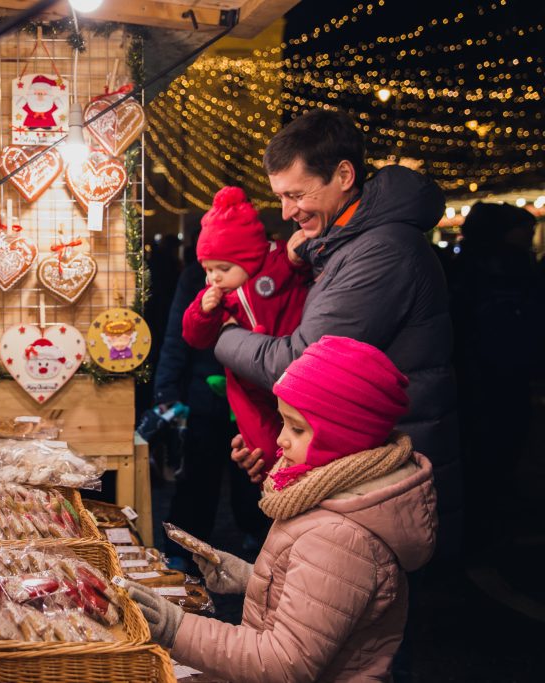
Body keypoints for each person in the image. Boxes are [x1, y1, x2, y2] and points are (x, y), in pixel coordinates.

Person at [213, 109, 460, 559]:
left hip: (390, 471)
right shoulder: (345, 244)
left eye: (296, 194)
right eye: (281, 197)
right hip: (362, 461)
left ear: (344, 175)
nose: (287, 212)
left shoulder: (382, 251)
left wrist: (223, 335)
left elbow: (301, 363)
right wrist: (279, 436)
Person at [129, 336, 438, 681]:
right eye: (283, 422)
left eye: (297, 428)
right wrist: (252, 578)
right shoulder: (333, 499)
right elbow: (322, 600)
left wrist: (175, 628)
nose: (280, 440)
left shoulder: (341, 537)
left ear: (342, 438)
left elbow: (283, 664)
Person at [153, 226, 268, 563]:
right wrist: (167, 392)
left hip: (255, 395)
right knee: (196, 479)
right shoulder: (195, 277)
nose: (215, 274)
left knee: (254, 475)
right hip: (204, 394)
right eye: (210, 266)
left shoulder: (263, 276)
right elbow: (177, 335)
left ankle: (259, 541)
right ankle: (182, 550)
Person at [182, 186, 309, 475]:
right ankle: (274, 484)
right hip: (247, 385)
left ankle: (295, 482)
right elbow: (194, 336)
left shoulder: (277, 263)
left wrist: (295, 256)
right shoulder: (218, 297)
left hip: (290, 370)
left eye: (223, 268)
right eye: (208, 268)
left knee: (299, 438)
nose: (214, 277)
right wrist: (202, 311)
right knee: (261, 446)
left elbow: (299, 272)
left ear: (248, 258)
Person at [448, 202, 543, 544]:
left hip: (492, 369)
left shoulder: (486, 267)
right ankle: (487, 516)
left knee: (496, 441)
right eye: (525, 231)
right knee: (493, 441)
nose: (530, 238)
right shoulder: (494, 269)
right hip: (487, 370)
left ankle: (490, 510)